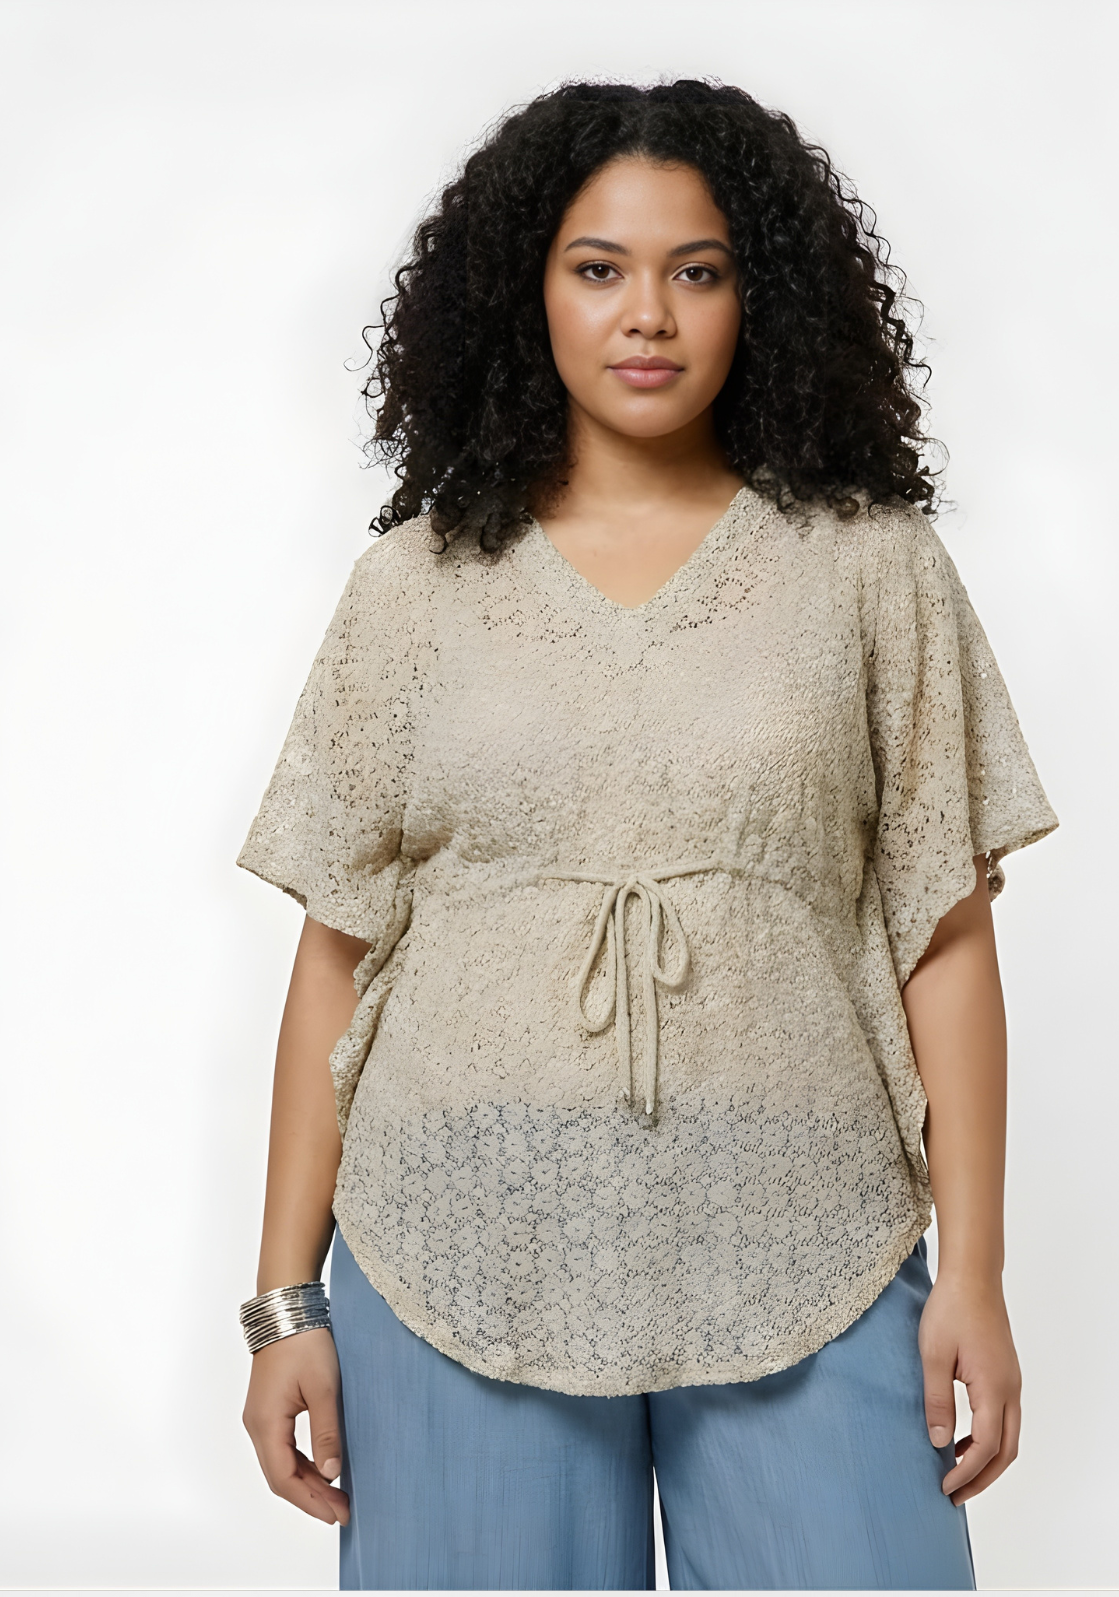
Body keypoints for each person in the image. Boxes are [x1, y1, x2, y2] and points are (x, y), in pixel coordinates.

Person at [234, 79, 1057, 1591]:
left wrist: (978, 1275)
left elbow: (943, 932)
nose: (649, 315)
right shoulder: (415, 587)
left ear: (762, 297)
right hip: (454, 1233)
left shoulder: (871, 568)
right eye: (599, 268)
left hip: (807, 1222)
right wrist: (286, 1303)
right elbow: (337, 956)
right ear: (526, 291)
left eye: (699, 270)